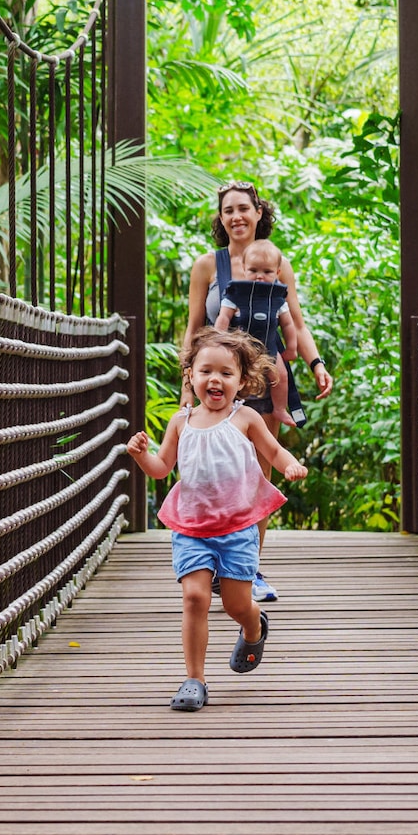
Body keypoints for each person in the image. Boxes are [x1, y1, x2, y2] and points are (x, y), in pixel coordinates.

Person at [125, 329, 308, 712]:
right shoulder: (181, 421)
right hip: (192, 526)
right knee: (194, 597)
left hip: (238, 527)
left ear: (242, 382)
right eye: (206, 370)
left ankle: (254, 626)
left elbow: (273, 452)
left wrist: (291, 466)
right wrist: (142, 456)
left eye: (226, 373)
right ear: (190, 375)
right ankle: (194, 679)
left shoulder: (245, 418)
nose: (215, 379)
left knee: (237, 605)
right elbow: (162, 469)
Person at [183, 181, 336, 601]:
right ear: (221, 218)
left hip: (266, 379)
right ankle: (214, 561)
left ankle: (248, 569)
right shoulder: (206, 266)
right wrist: (186, 384)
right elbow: (196, 329)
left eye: (244, 209)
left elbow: (295, 324)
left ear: (257, 213)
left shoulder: (275, 262)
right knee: (216, 473)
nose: (236, 216)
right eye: (228, 210)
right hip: (218, 385)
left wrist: (315, 363)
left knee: (259, 471)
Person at [212, 240, 302, 431]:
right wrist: (218, 343)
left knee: (281, 376)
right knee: (236, 378)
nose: (259, 277)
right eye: (253, 270)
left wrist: (292, 347)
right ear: (243, 269)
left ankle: (278, 408)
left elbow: (288, 323)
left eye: (267, 272)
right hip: (240, 350)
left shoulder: (277, 298)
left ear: (277, 272)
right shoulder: (236, 295)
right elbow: (223, 319)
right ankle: (228, 407)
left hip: (269, 348)